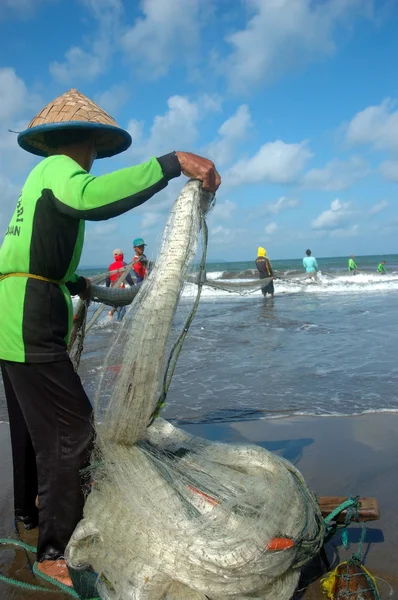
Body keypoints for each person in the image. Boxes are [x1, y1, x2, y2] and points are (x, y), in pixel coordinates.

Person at [0, 88, 220, 586]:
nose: (94, 159)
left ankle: (30, 515)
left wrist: (78, 284)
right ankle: (53, 551)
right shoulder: (61, 171)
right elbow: (93, 200)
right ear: (88, 142)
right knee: (71, 430)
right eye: (95, 149)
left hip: (12, 311)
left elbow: (34, 252)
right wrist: (171, 163)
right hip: (29, 319)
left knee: (30, 427)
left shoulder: (37, 177)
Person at [106, 248, 134, 319]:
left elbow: (107, 279)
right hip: (120, 289)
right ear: (121, 255)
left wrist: (107, 289)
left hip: (113, 289)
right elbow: (128, 277)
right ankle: (119, 325)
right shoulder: (123, 264)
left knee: (118, 306)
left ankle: (111, 313)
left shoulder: (110, 266)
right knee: (122, 309)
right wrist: (133, 287)